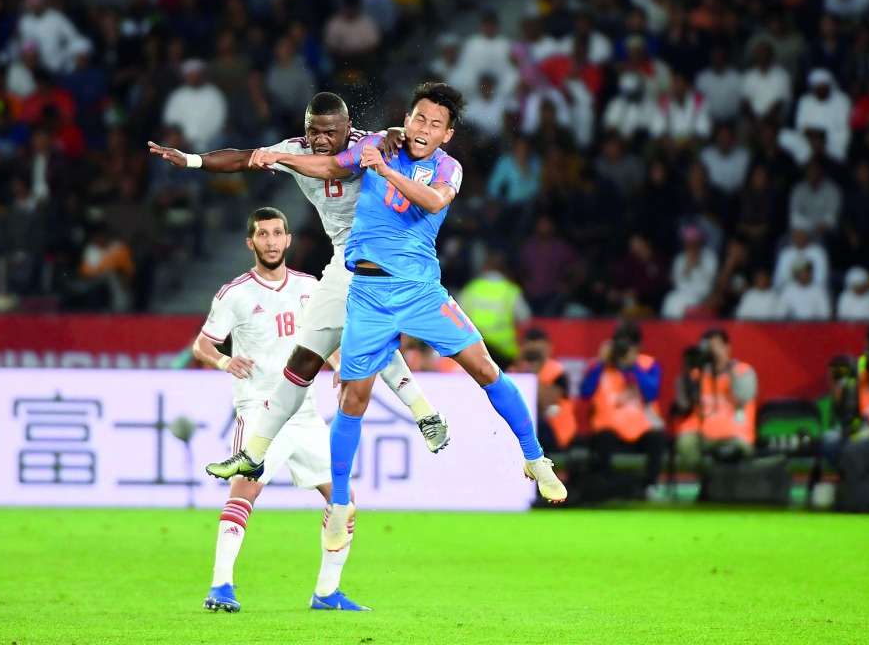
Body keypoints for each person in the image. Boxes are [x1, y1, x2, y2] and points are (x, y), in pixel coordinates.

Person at [238, 82, 566, 553]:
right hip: (367, 294)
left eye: (435, 125)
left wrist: (386, 171)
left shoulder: (445, 168)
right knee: (352, 400)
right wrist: (274, 157)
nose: (424, 129)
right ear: (407, 119)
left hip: (420, 292)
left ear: (447, 135)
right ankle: (340, 504)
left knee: (486, 369)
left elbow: (432, 202)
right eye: (418, 119)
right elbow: (330, 165)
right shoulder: (376, 145)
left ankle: (535, 459)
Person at [148, 92, 449, 453]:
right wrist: (193, 160)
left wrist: (395, 130)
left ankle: (258, 449)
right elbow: (244, 159)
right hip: (344, 256)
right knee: (327, 337)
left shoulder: (365, 145)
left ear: (348, 128)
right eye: (314, 132)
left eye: (330, 133)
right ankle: (422, 412)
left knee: (341, 336)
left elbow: (405, 142)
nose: (321, 140)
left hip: (381, 253)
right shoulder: (294, 150)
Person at [194, 207, 367, 613]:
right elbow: (203, 344)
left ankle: (326, 593)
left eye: (277, 233)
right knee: (245, 491)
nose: (271, 241)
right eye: (262, 234)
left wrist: (340, 365)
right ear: (250, 242)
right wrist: (223, 361)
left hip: (303, 411)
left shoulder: (312, 287)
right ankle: (220, 587)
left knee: (343, 500)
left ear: (288, 240)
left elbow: (328, 337)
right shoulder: (234, 293)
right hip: (258, 408)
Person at [580, 330, 667, 499]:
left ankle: (650, 486)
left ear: (638, 347)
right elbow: (585, 393)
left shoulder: (648, 365)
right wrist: (600, 363)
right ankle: (605, 488)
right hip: (609, 429)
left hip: (640, 429)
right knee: (604, 438)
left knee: (657, 438)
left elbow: (651, 394)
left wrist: (633, 367)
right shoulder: (600, 365)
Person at [674, 328, 758, 469]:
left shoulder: (742, 371)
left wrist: (728, 369)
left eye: (717, 345)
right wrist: (689, 368)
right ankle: (707, 480)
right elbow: (684, 403)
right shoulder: (698, 374)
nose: (713, 350)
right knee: (684, 444)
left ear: (727, 347)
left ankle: (725, 484)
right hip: (702, 432)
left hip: (734, 432)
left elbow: (743, 397)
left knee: (735, 453)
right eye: (709, 346)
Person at [457, 250, 531, 368]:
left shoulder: (471, 289)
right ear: (503, 269)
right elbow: (525, 319)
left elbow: (456, 317)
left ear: (484, 267)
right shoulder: (510, 290)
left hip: (474, 350)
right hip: (503, 354)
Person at [511, 329, 577, 455]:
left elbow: (548, 402)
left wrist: (532, 374)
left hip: (556, 431)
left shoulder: (557, 372)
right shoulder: (513, 369)